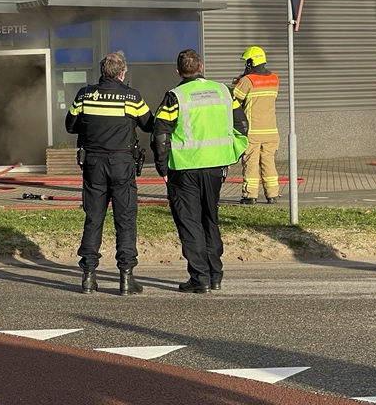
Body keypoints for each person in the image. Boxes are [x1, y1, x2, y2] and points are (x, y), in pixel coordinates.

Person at [151, 49, 248, 294]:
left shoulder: (175, 96)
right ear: (201, 67)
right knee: (210, 220)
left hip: (184, 169)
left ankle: (199, 278)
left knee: (190, 223)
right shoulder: (225, 91)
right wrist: (231, 152)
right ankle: (215, 275)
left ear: (178, 71)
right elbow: (242, 125)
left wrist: (162, 167)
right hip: (216, 167)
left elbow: (160, 133)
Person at [65, 51, 152, 296]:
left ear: (102, 72)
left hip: (93, 164)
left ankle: (89, 277)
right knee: (125, 220)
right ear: (123, 73)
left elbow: (70, 126)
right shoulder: (131, 97)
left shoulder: (84, 95)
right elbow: (148, 123)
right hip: (122, 164)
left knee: (93, 219)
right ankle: (126, 278)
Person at [233, 46, 280, 205]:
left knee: (251, 163)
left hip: (252, 131)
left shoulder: (247, 81)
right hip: (271, 131)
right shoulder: (274, 78)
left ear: (251, 62)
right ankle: (272, 194)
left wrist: (238, 82)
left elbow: (235, 100)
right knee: (268, 162)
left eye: (247, 61)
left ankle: (250, 195)